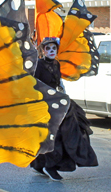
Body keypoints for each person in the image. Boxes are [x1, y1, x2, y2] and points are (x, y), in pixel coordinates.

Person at [30, 37, 98, 180]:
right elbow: (34, 85)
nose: (51, 51)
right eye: (48, 49)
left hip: (57, 100)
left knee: (72, 127)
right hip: (45, 104)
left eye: (54, 49)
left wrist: (63, 96)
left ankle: (39, 164)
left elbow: (58, 83)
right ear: (43, 51)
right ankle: (50, 166)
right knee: (54, 135)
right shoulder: (39, 65)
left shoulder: (56, 64)